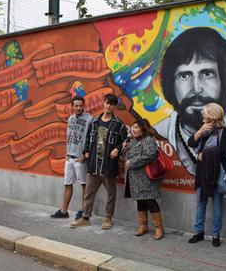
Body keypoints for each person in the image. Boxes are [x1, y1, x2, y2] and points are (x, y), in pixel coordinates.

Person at [154, 27, 226, 195]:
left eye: (207, 73)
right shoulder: (158, 133)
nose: (196, 89)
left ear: (225, 79)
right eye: (185, 76)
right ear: (171, 84)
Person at [70, 93, 128, 229]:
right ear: (104, 104)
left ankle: (108, 218)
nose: (109, 106)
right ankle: (85, 218)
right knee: (88, 193)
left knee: (111, 195)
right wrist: (86, 151)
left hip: (108, 167)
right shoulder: (94, 121)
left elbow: (126, 141)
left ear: (115, 107)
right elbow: (87, 139)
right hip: (94, 165)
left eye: (112, 104)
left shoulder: (119, 125)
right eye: (107, 103)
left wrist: (117, 149)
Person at [186, 103, 226, 247]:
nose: (203, 116)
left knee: (217, 205)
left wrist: (203, 155)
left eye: (205, 113)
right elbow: (191, 142)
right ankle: (198, 232)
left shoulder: (224, 131)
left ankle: (216, 235)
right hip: (202, 172)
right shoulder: (203, 131)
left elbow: (223, 151)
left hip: (217, 173)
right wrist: (199, 131)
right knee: (201, 203)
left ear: (212, 115)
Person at [51, 95, 92, 220]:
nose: (78, 108)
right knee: (67, 184)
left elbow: (90, 138)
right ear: (72, 107)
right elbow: (69, 136)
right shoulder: (70, 119)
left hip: (80, 158)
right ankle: (64, 211)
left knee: (84, 185)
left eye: (81, 105)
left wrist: (84, 155)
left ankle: (83, 210)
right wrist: (66, 152)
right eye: (76, 106)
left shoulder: (89, 119)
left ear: (83, 106)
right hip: (69, 157)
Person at [123, 119, 163, 240]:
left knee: (150, 201)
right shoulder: (134, 141)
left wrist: (132, 162)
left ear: (143, 129)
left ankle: (159, 227)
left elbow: (149, 155)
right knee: (140, 201)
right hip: (135, 178)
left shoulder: (149, 140)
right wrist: (125, 148)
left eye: (136, 128)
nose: (133, 130)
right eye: (132, 128)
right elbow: (127, 157)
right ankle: (143, 225)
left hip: (147, 178)